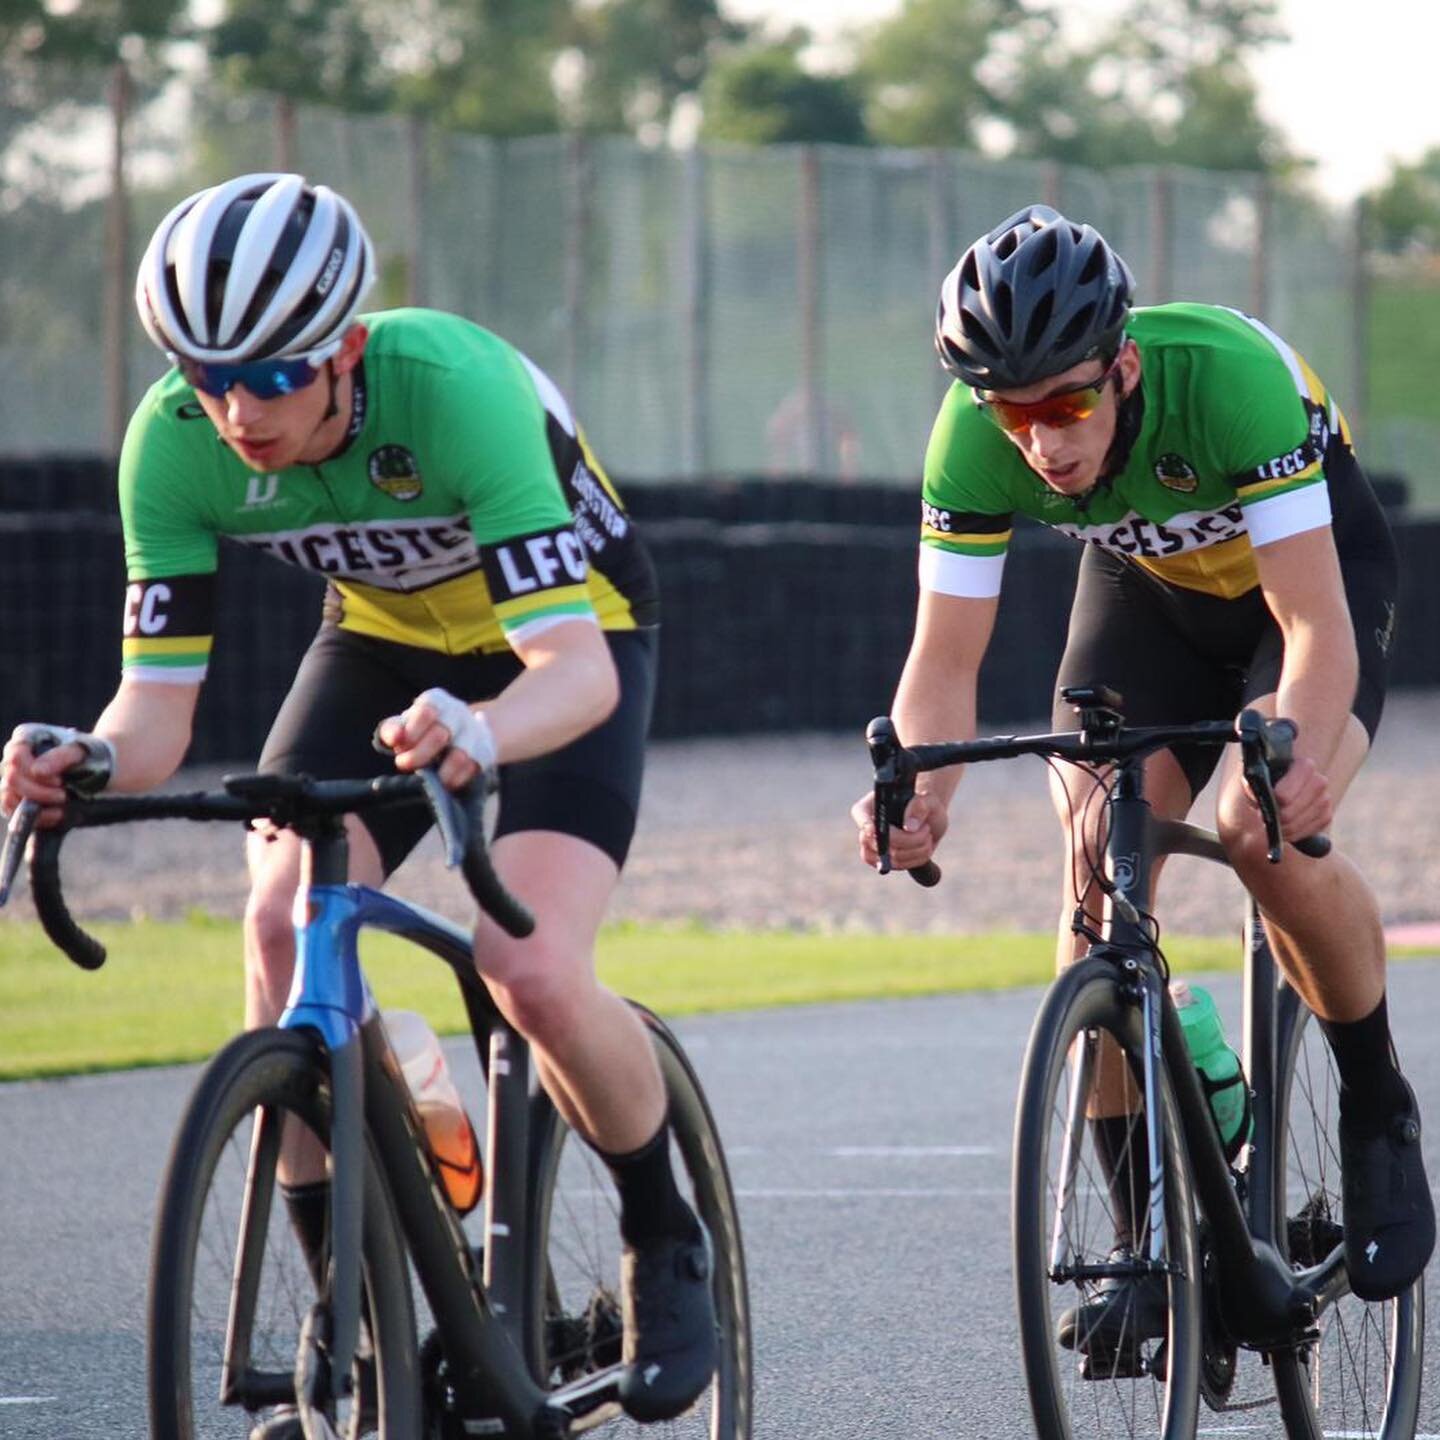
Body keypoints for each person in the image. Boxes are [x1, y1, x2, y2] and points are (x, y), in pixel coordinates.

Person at [0, 172, 715, 1429]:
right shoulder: (172, 444)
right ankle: (357, 1302)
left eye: (271, 379)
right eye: (205, 375)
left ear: (344, 350)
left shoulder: (461, 394)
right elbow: (154, 714)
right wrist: (88, 763)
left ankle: (663, 1237)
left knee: (528, 967)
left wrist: (482, 732)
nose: (236, 411)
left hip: (565, 646)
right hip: (381, 645)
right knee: (279, 926)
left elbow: (576, 671)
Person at [851, 203, 1434, 1340]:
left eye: (1066, 403)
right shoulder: (974, 439)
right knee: (1089, 888)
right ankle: (1142, 1245)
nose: (1041, 441)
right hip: (1146, 607)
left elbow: (1314, 626)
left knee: (1260, 828)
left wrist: (1299, 761)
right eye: (1010, 411)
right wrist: (920, 791)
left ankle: (1379, 1107)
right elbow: (944, 658)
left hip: (1297, 597)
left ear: (1123, 365)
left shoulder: (1227, 381)